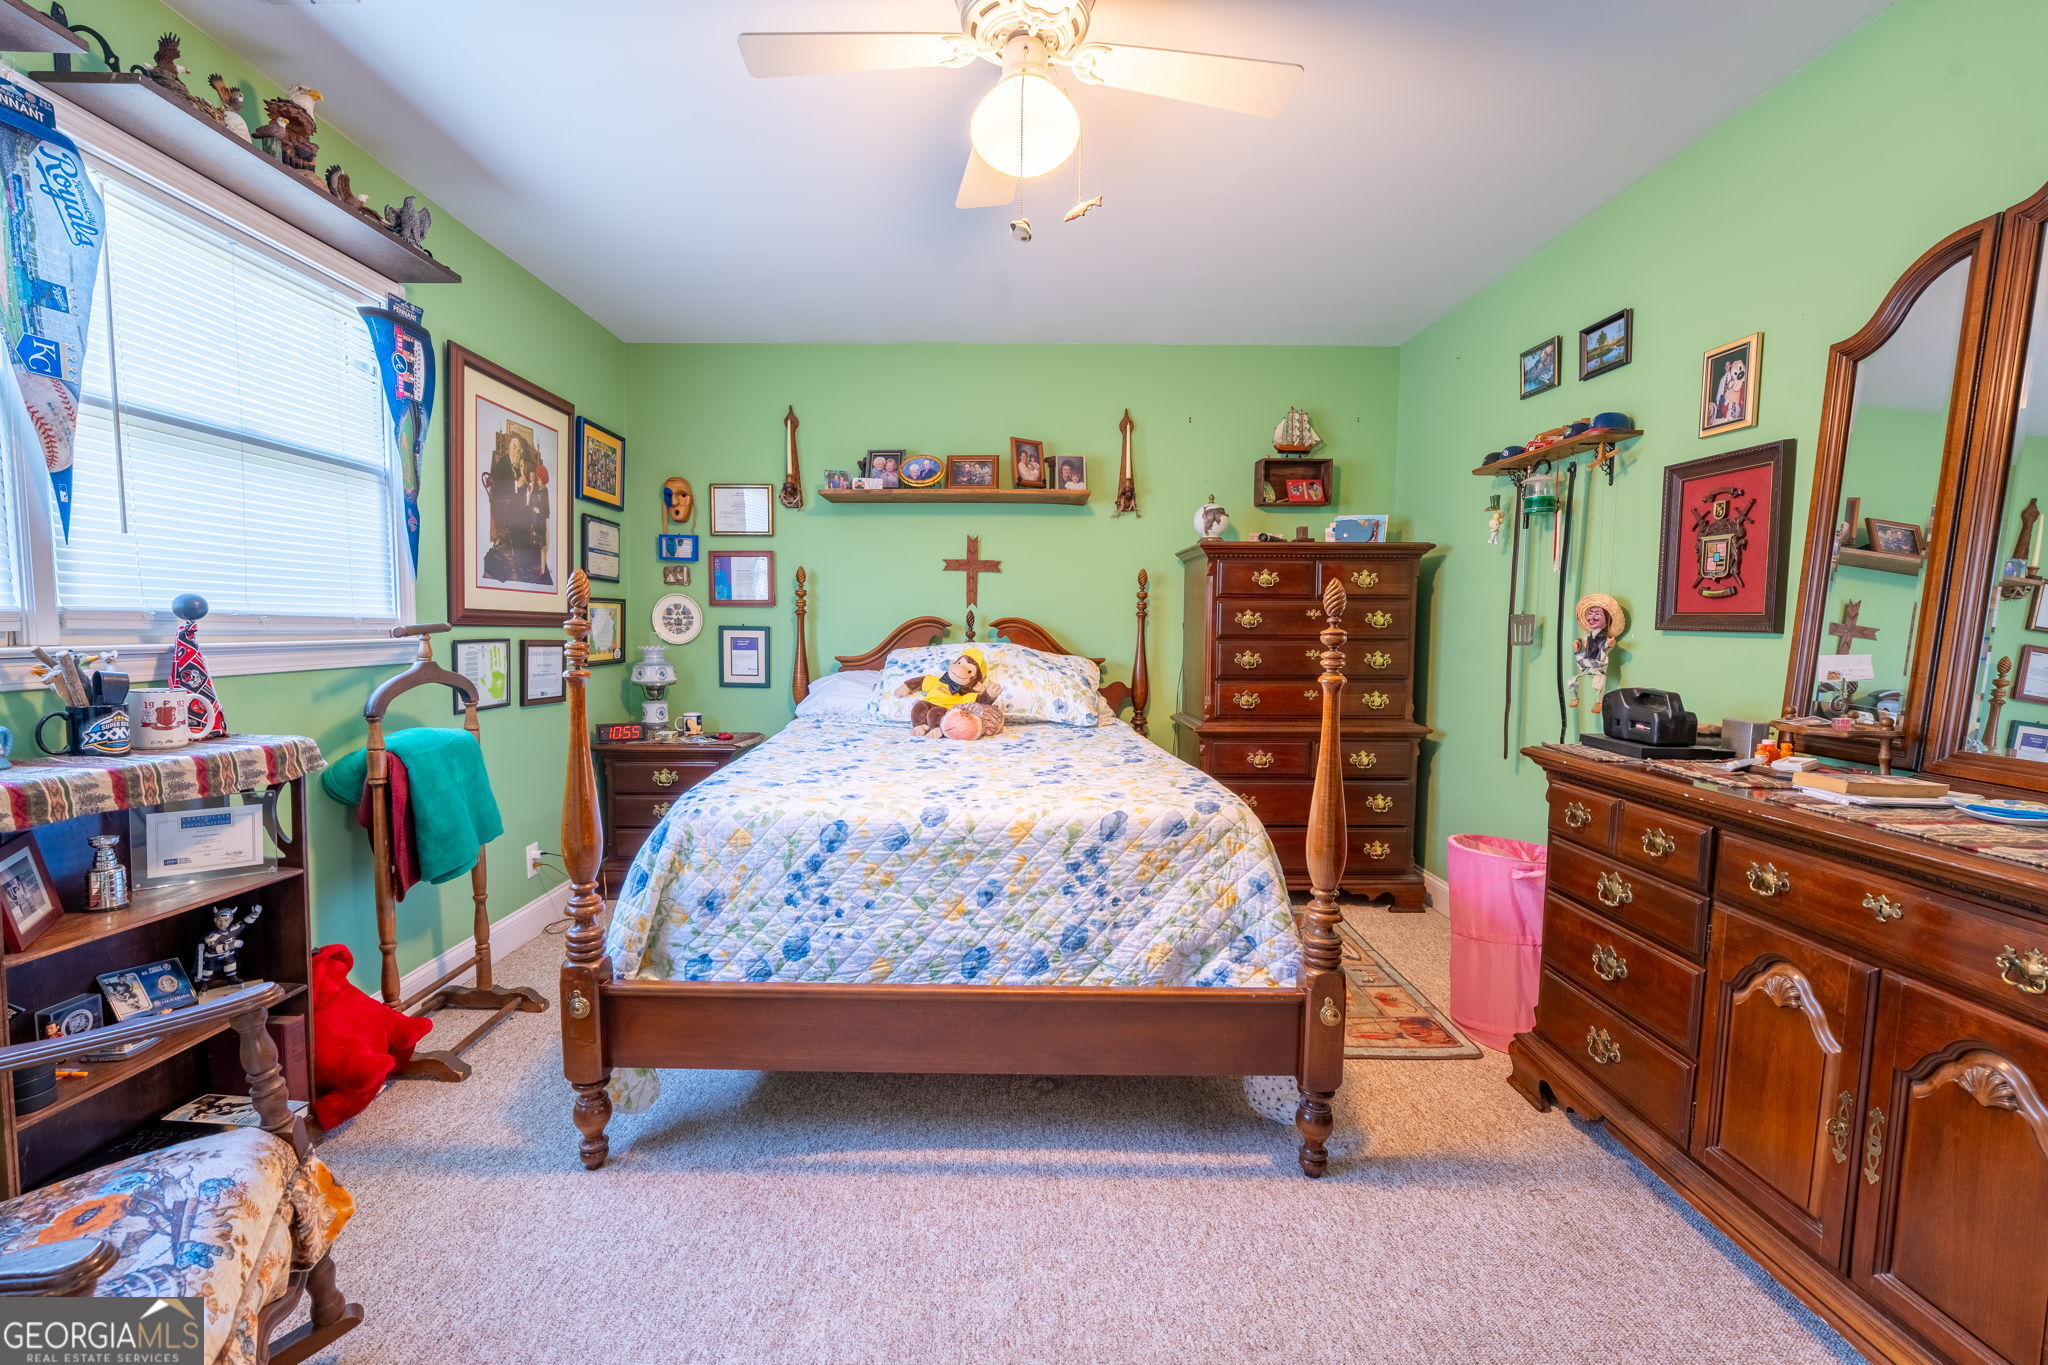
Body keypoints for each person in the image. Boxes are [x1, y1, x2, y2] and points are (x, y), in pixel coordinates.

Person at [892, 648, 1002, 736]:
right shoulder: (937, 681)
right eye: (960, 663)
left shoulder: (964, 695)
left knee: (935, 713)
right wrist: (906, 686)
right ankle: (919, 726)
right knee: (919, 706)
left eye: (969, 671)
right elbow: (921, 681)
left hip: (945, 709)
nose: (960, 668)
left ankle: (936, 729)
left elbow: (978, 704)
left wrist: (989, 696)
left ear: (975, 681)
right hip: (928, 702)